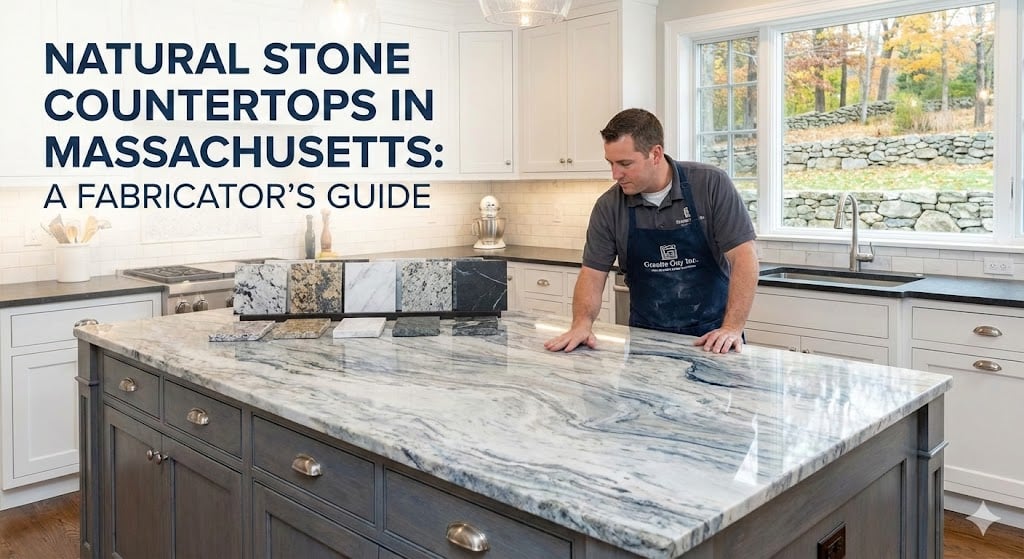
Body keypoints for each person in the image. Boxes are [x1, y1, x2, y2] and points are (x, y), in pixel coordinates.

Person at [544, 108, 759, 354]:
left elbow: (744, 257)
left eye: (625, 164)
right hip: (645, 340)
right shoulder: (609, 207)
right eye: (611, 163)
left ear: (655, 154)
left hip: (712, 340)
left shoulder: (710, 184)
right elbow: (592, 274)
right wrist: (581, 324)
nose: (615, 174)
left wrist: (732, 327)